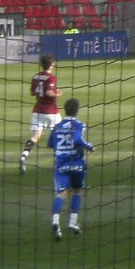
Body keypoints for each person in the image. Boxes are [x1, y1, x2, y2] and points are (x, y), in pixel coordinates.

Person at [46, 98, 94, 240]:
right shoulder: (79, 125)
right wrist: (89, 146)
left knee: (60, 193)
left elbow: (50, 144)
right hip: (77, 163)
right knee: (77, 191)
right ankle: (73, 223)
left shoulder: (57, 126)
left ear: (65, 110)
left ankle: (55, 222)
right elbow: (78, 139)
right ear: (77, 110)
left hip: (61, 164)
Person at [18, 53, 60, 173]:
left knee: (35, 136)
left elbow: (33, 92)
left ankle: (23, 156)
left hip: (37, 111)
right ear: (51, 65)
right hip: (51, 112)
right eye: (53, 64)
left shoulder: (35, 76)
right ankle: (59, 162)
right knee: (59, 135)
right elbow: (49, 93)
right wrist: (58, 93)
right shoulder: (51, 78)